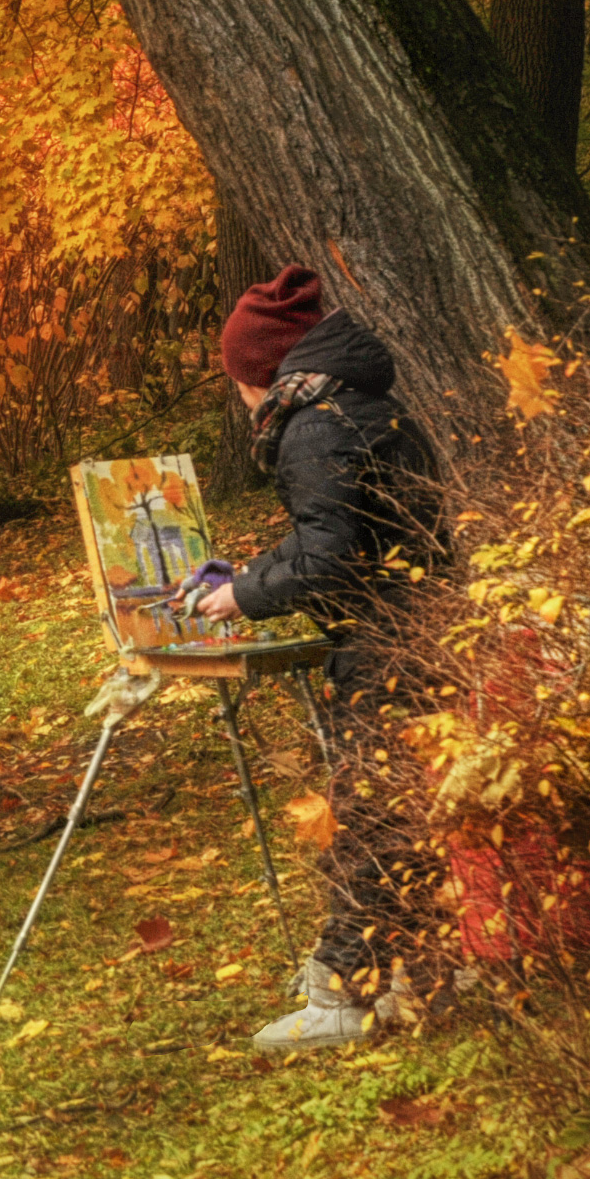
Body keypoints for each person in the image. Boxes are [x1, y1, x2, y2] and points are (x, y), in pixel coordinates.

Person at [190, 264, 443, 1050]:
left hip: (386, 641)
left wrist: (244, 598)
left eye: (238, 381)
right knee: (407, 812)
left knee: (368, 815)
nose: (240, 400)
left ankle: (341, 998)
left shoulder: (312, 427)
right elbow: (342, 534)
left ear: (263, 373)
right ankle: (417, 974)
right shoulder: (363, 404)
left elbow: (330, 557)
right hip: (425, 629)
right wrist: (252, 573)